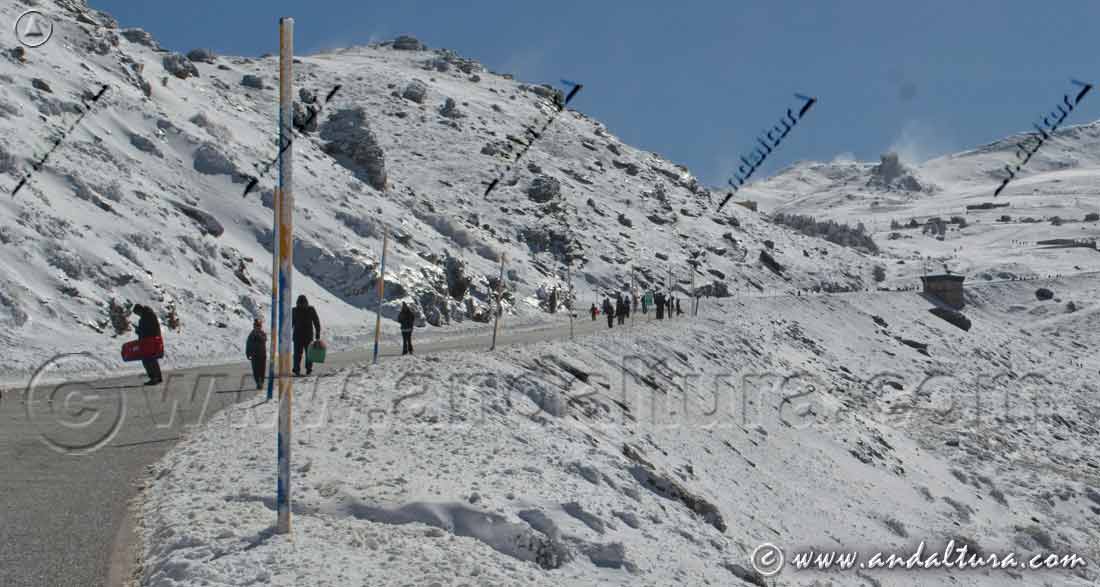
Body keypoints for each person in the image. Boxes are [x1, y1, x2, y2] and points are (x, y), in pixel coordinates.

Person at [133, 304, 162, 385]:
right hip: (153, 341)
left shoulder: (145, 317)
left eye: (137, 313)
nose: (138, 315)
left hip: (148, 342)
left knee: (147, 360)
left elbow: (145, 331)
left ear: (139, 310)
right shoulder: (150, 315)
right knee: (152, 359)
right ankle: (158, 377)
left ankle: (153, 378)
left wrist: (138, 330)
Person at [292, 295, 321, 376]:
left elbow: (316, 322)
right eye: (300, 303)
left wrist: (318, 333)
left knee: (300, 354)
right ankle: (303, 369)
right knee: (304, 354)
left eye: (302, 303)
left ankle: (301, 369)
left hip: (302, 336)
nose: (301, 305)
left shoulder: (308, 310)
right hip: (303, 336)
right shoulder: (296, 310)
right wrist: (317, 334)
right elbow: (316, 322)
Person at [245, 318, 267, 390]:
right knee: (255, 370)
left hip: (262, 355)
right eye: (256, 326)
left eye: (259, 326)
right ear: (254, 326)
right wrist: (248, 353)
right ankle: (258, 383)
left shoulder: (262, 333)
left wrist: (258, 335)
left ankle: (261, 382)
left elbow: (264, 340)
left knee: (262, 370)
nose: (257, 327)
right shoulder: (251, 334)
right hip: (254, 355)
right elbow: (248, 344)